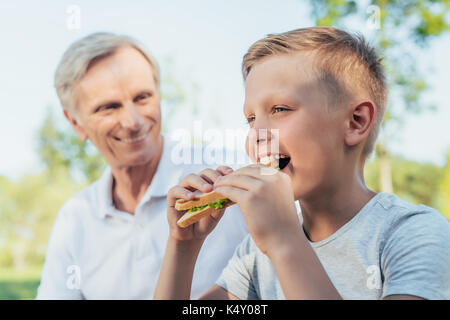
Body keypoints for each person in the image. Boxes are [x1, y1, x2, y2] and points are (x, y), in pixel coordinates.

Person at [154, 27, 450, 300]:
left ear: (355, 122)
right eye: (251, 119)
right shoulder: (255, 255)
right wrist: (183, 246)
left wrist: (285, 243)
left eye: (280, 109)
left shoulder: (412, 234)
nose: (256, 135)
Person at [36, 32, 248, 299]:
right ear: (76, 123)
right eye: (109, 107)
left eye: (142, 97)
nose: (133, 121)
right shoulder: (75, 219)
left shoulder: (228, 176)